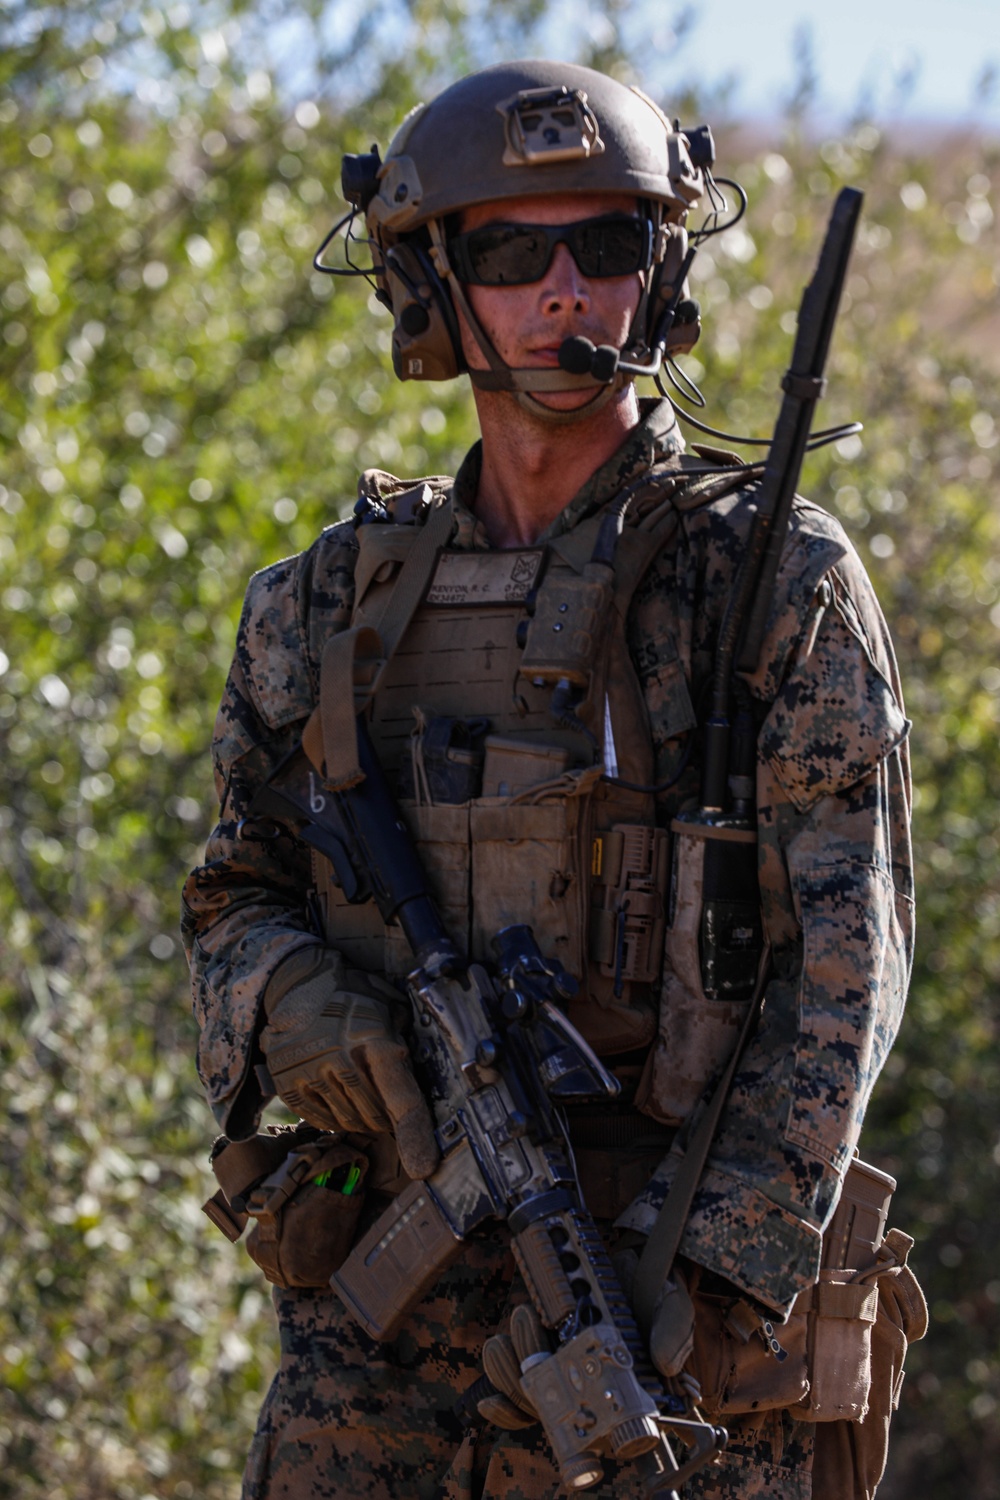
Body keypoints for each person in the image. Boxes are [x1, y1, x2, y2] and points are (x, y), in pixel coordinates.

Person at [182, 59, 915, 1499]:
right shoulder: (321, 607)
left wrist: (697, 1297)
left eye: (611, 244)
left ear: (666, 269)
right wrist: (298, 1007)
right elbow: (231, 896)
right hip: (377, 1351)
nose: (567, 291)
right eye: (515, 254)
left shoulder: (767, 578)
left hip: (659, 1331)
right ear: (432, 285)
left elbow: (849, 964)